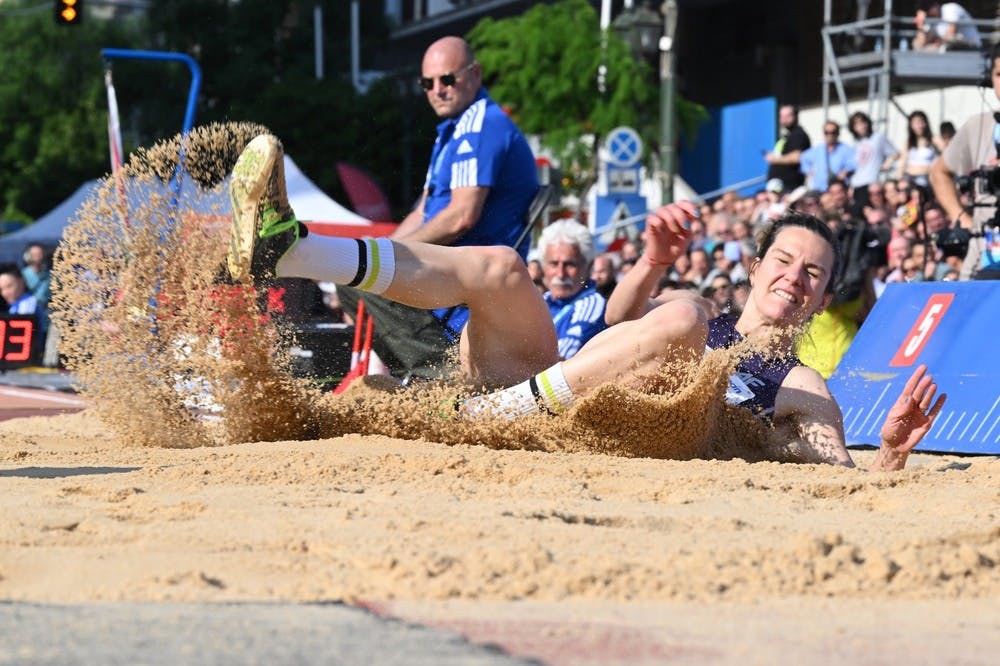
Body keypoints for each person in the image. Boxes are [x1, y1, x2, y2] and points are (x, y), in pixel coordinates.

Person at [227, 133, 946, 470]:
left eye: (814, 274)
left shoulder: (803, 385)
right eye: (785, 261)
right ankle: (294, 251)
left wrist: (886, 456)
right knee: (502, 267)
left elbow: (834, 469)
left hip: (606, 434)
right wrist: (653, 261)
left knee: (684, 318)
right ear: (756, 268)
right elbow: (617, 320)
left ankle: (492, 414)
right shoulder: (696, 305)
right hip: (542, 391)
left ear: (822, 298)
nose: (795, 278)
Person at [334, 35, 540, 382]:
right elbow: (422, 212)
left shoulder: (480, 124)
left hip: (474, 276)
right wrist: (378, 252)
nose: (437, 90)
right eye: (427, 83)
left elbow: (461, 216)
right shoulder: (453, 130)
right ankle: (423, 376)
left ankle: (443, 378)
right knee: (354, 272)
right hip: (453, 268)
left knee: (359, 276)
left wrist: (386, 257)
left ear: (475, 74)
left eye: (447, 79)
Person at [929, 43, 1000, 280]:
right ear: (989, 79)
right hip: (982, 257)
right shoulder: (978, 125)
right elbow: (939, 173)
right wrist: (961, 217)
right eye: (999, 74)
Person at [535, 219, 609, 360]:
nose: (560, 274)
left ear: (588, 266)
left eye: (570, 264)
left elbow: (563, 361)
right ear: (543, 266)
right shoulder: (540, 301)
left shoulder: (593, 303)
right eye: (553, 264)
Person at [847, 111, 898, 211]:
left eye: (862, 122)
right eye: (857, 124)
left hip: (872, 182)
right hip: (858, 184)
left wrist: (889, 162)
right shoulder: (857, 143)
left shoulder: (878, 137)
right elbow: (859, 168)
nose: (861, 126)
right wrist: (852, 186)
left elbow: (896, 153)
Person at [765, 105, 811, 194]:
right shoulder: (786, 136)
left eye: (788, 116)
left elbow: (797, 157)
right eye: (782, 116)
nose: (784, 119)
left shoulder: (798, 134)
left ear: (796, 116)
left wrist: (775, 159)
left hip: (789, 187)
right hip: (777, 186)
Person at [800, 121, 856, 193]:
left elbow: (854, 164)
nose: (830, 135)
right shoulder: (818, 150)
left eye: (833, 132)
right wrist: (808, 171)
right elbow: (803, 158)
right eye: (827, 132)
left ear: (838, 133)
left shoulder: (846, 150)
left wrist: (846, 171)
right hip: (819, 189)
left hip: (838, 190)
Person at [896, 110, 939, 193]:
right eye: (915, 123)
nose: (919, 126)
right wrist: (899, 179)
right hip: (910, 178)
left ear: (926, 123)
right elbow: (903, 162)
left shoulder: (934, 140)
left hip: (926, 179)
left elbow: (946, 155)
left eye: (921, 122)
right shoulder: (908, 142)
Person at [913, 1, 981, 51]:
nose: (929, 12)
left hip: (970, 45)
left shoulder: (950, 8)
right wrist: (921, 25)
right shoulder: (931, 19)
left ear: (936, 5)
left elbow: (950, 35)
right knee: (916, 44)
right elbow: (921, 43)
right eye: (926, 10)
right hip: (948, 48)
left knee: (947, 45)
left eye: (928, 8)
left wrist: (940, 41)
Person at [20, 243, 52, 309]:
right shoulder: (22, 275)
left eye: (40, 254)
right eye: (35, 254)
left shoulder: (49, 274)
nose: (38, 257)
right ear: (27, 256)